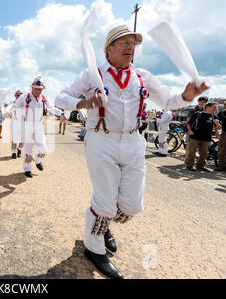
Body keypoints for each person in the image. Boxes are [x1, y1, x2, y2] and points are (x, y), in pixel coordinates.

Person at [55, 25, 209, 279]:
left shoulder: (142, 75)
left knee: (132, 205)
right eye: (124, 43)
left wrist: (185, 95)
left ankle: (103, 224)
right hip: (101, 140)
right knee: (104, 202)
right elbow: (60, 98)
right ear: (109, 49)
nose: (130, 47)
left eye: (133, 43)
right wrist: (82, 103)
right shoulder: (93, 74)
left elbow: (168, 101)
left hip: (134, 141)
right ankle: (94, 250)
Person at [14, 77, 64, 178]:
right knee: (28, 149)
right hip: (27, 124)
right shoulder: (25, 96)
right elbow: (16, 106)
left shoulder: (44, 98)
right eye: (36, 88)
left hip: (38, 125)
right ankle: (27, 168)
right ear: (32, 88)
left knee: (43, 148)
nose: (38, 91)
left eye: (40, 89)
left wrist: (61, 113)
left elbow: (50, 108)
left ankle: (37, 159)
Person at [186, 102, 220, 172]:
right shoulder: (197, 114)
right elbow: (189, 123)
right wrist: (190, 131)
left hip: (207, 138)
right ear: (208, 107)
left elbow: (219, 128)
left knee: (204, 153)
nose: (215, 109)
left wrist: (217, 124)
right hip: (195, 137)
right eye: (214, 107)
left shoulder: (214, 116)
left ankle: (200, 166)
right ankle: (190, 165)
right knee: (192, 152)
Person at [6, 89, 25, 159]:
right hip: (14, 123)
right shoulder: (12, 102)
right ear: (15, 96)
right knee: (14, 138)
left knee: (23, 139)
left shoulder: (24, 103)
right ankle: (13, 152)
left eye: (20, 95)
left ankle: (19, 149)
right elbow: (8, 109)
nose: (19, 96)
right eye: (18, 95)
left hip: (23, 123)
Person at [214, 104, 225, 171]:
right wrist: (217, 132)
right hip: (224, 134)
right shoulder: (222, 113)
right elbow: (216, 123)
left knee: (222, 151)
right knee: (222, 150)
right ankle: (221, 166)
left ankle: (221, 166)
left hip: (224, 134)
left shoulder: (222, 113)